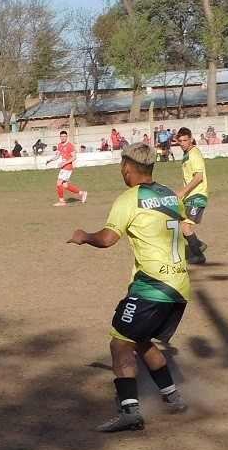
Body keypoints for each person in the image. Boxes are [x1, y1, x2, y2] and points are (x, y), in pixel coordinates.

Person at [68, 142, 190, 433]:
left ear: (126, 167)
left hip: (152, 286)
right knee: (140, 339)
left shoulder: (129, 199)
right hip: (179, 285)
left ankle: (129, 412)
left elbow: (109, 239)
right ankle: (172, 397)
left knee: (119, 342)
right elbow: (185, 227)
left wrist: (84, 236)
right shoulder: (170, 195)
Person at [175, 128, 210, 265]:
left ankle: (199, 253)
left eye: (185, 140)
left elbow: (199, 177)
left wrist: (182, 191)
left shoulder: (194, 154)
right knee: (181, 223)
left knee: (185, 226)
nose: (182, 143)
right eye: (180, 141)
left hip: (197, 195)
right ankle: (198, 245)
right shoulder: (187, 154)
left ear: (191, 139)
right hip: (190, 196)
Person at [48, 130, 88, 207]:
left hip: (67, 167)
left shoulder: (69, 145)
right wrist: (50, 160)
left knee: (58, 182)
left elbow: (74, 157)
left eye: (64, 136)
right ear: (60, 137)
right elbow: (57, 156)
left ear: (66, 137)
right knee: (65, 185)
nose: (63, 138)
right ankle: (82, 193)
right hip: (64, 167)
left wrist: (64, 163)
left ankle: (61, 201)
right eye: (62, 136)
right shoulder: (59, 145)